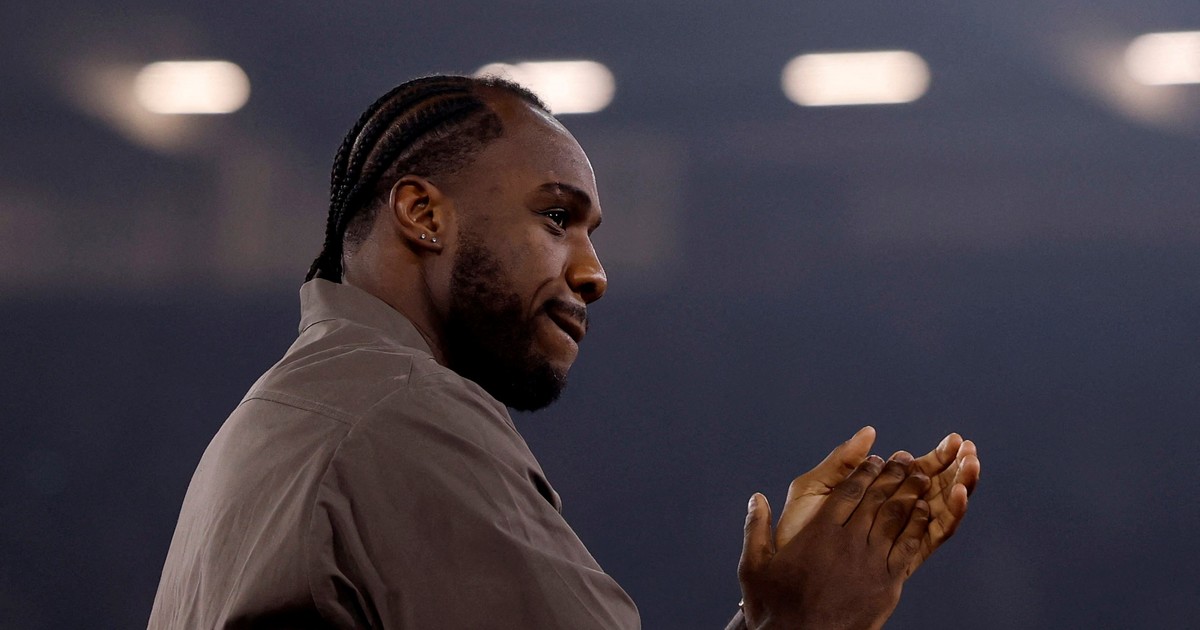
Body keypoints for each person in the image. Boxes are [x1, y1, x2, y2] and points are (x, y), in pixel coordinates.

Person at [148, 75, 980, 629]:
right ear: (423, 215)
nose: (594, 273)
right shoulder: (400, 413)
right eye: (556, 218)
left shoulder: (289, 412)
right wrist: (807, 622)